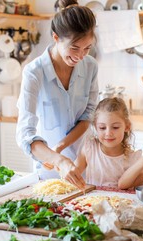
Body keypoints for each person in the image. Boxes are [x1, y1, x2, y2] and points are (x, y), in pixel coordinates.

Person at [16, 0, 98, 190]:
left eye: (87, 48)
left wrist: (60, 147)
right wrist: (58, 160)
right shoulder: (34, 72)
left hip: (83, 165)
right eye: (74, 48)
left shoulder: (91, 66)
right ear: (56, 37)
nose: (81, 56)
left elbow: (88, 115)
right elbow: (25, 134)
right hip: (47, 171)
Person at [75, 97, 142, 188]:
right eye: (102, 128)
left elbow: (140, 192)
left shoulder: (134, 159)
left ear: (127, 127)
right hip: (92, 202)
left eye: (115, 127)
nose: (108, 133)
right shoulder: (90, 149)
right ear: (95, 127)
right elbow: (73, 174)